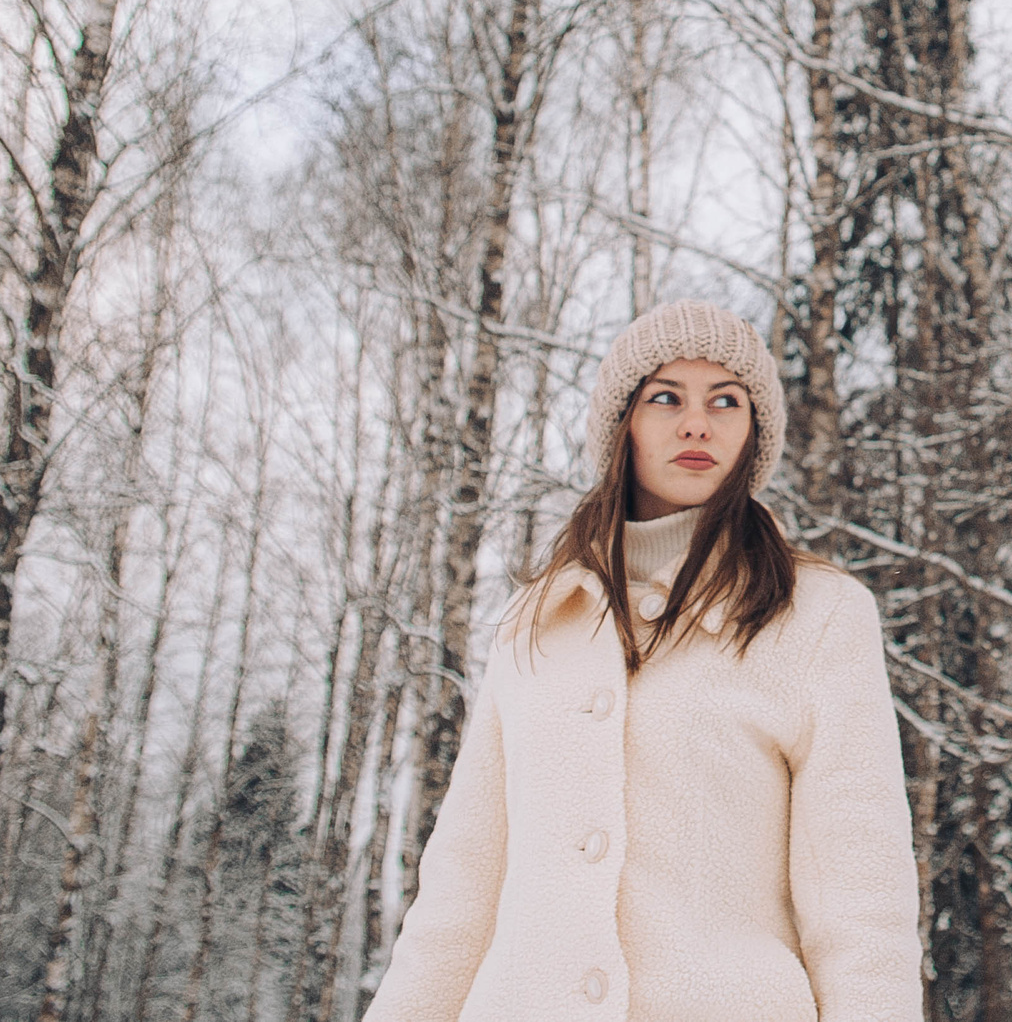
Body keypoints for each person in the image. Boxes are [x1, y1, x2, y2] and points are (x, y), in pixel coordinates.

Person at [363, 300, 923, 1022]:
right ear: (623, 424)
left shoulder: (819, 615)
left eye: (726, 400)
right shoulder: (534, 624)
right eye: (667, 397)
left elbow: (862, 899)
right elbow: (461, 890)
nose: (698, 423)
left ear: (753, 433)